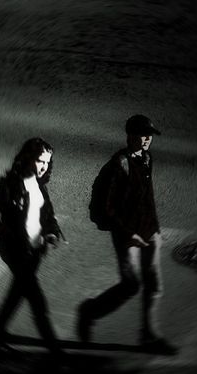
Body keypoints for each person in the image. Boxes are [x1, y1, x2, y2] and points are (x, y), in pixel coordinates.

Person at [76, 115, 177, 354]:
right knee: (131, 285)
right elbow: (108, 208)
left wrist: (155, 229)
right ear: (129, 136)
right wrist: (129, 233)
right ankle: (89, 312)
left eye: (150, 136)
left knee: (153, 284)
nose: (147, 140)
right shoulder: (118, 165)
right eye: (143, 135)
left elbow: (146, 196)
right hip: (127, 234)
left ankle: (149, 335)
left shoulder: (147, 158)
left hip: (149, 229)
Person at [0, 137, 66, 358]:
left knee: (16, 295)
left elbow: (48, 216)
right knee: (37, 301)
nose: (44, 166)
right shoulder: (11, 185)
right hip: (16, 252)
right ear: (27, 158)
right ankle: (55, 352)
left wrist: (51, 234)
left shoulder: (39, 186)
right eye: (40, 161)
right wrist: (6, 234)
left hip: (34, 253)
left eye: (47, 162)